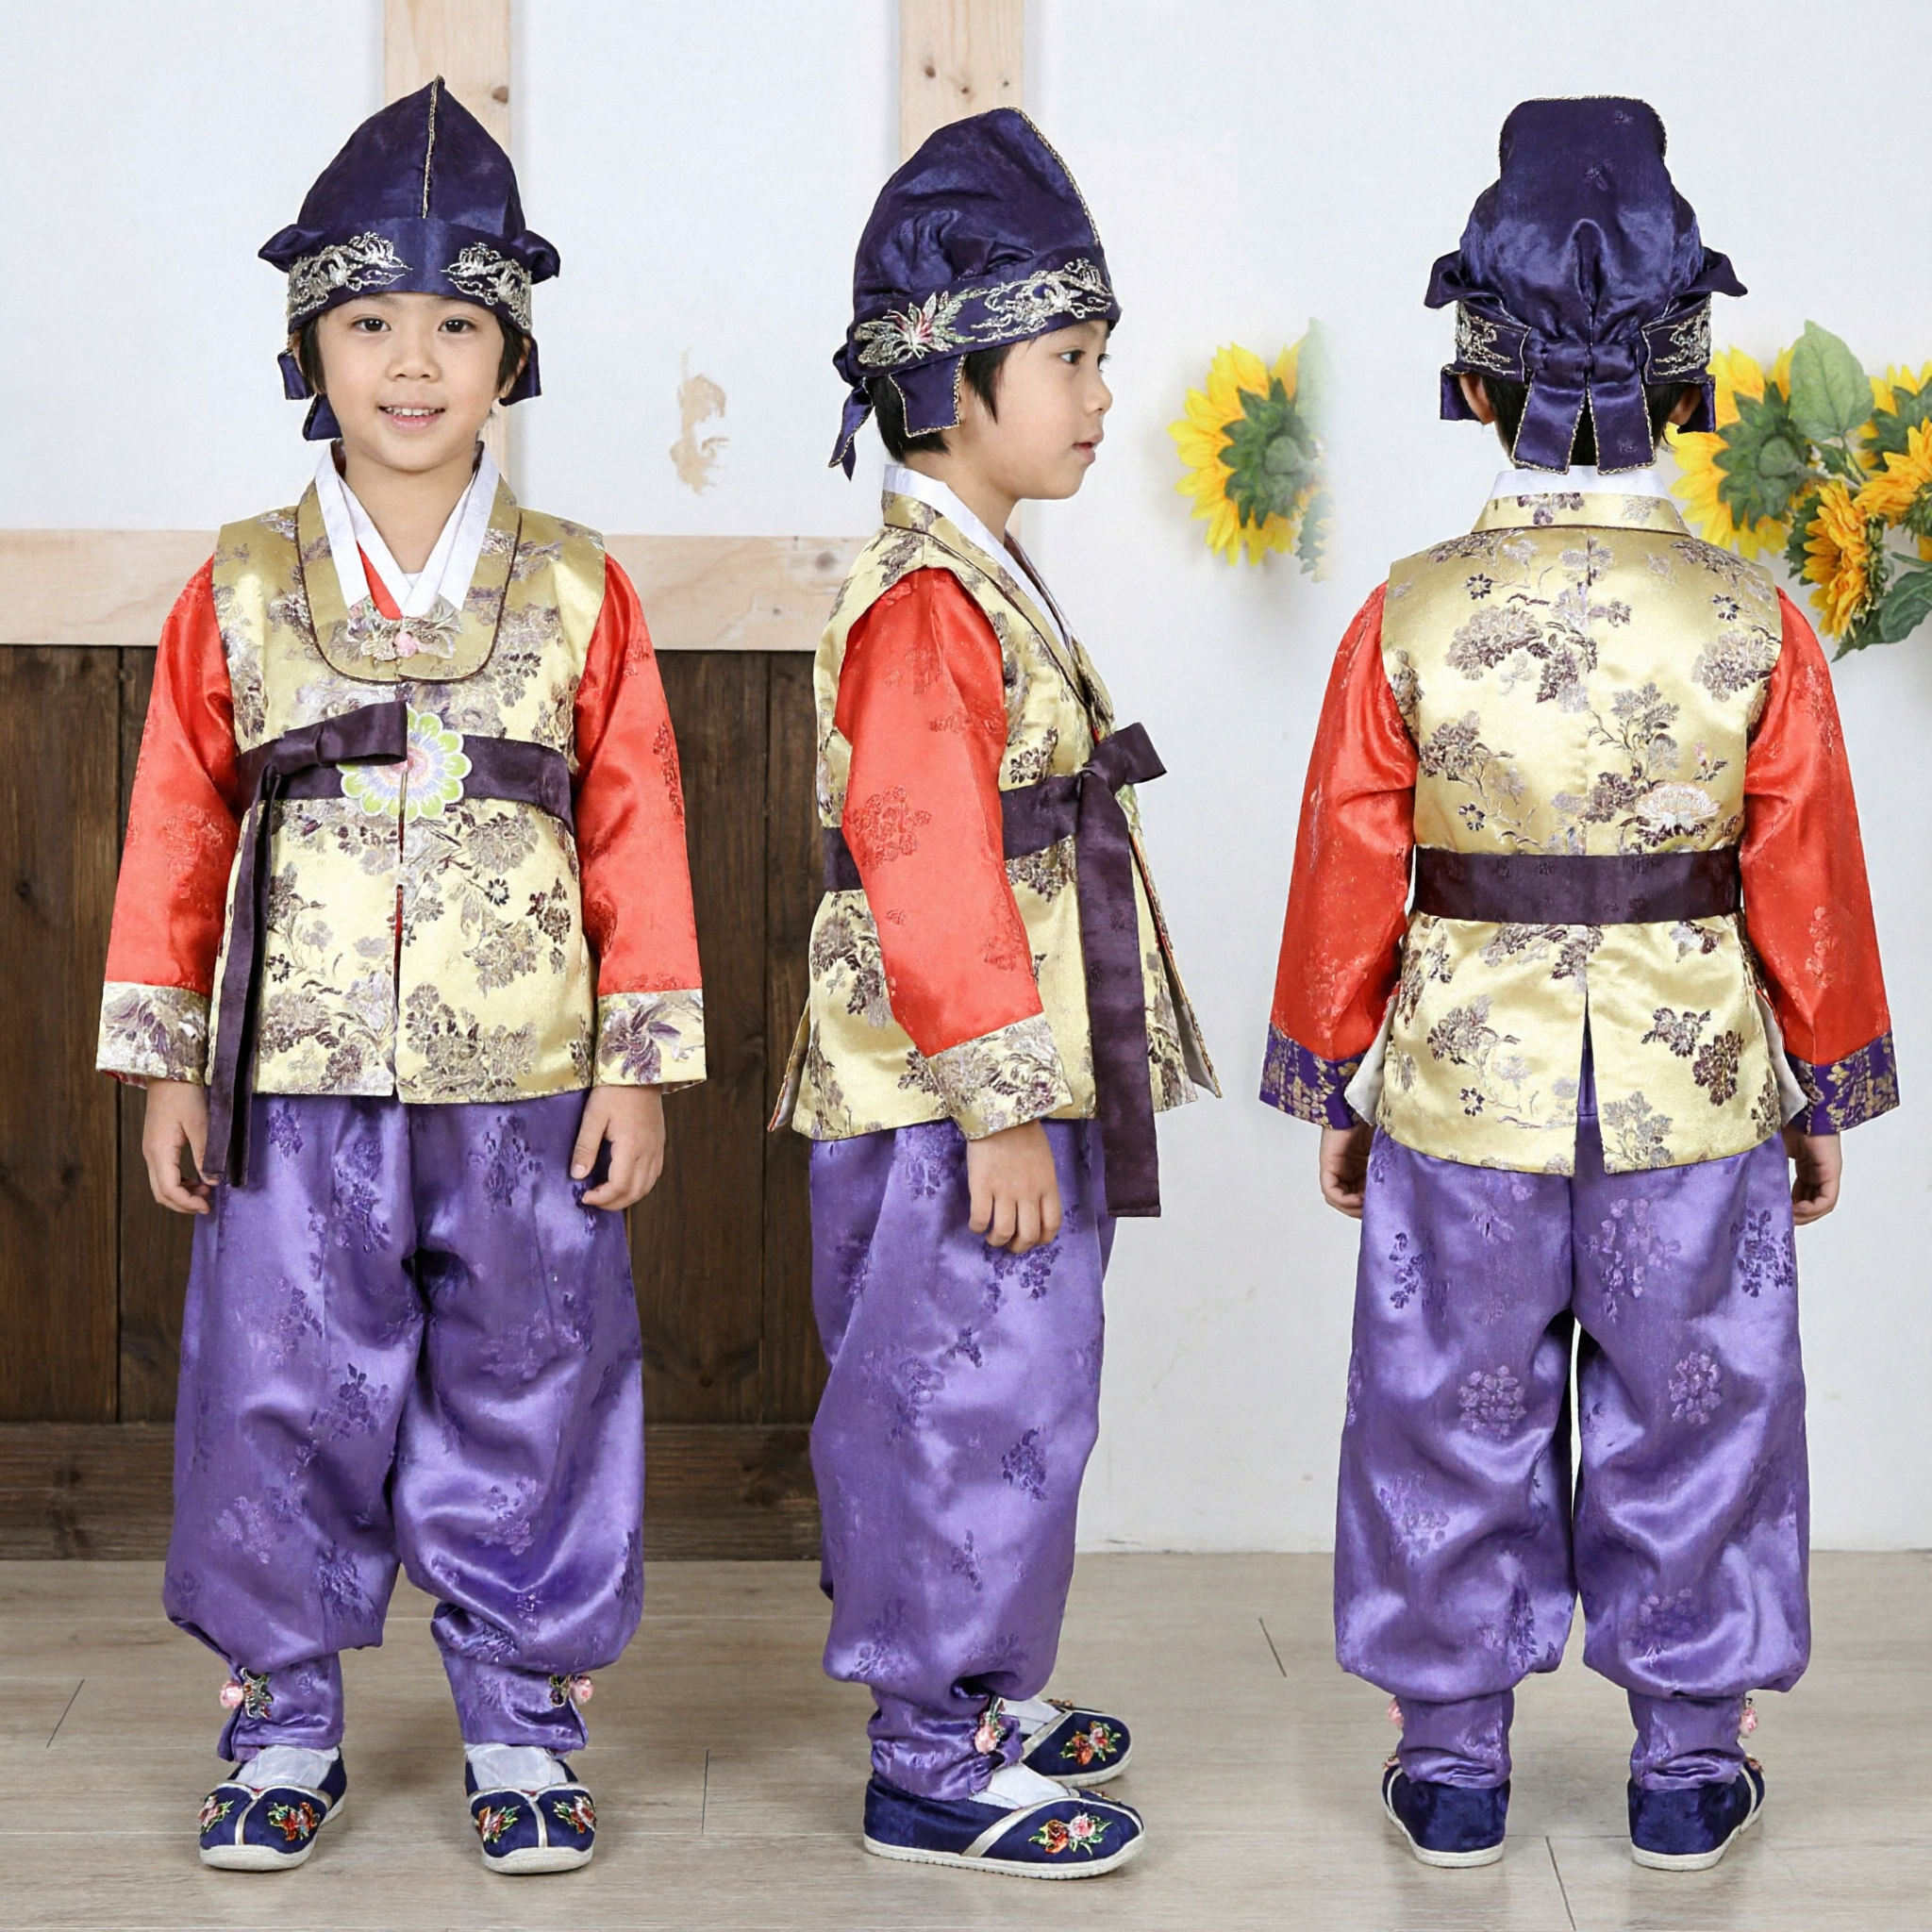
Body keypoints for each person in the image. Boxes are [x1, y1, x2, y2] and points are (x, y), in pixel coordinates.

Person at [1261, 97, 1895, 1874]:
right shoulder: (1755, 617)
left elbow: (1345, 867)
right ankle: (1689, 1754)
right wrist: (1821, 1089)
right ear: (1690, 384)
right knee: (1700, 1403)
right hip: (1698, 1080)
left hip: (1458, 1075)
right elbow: (1809, 880)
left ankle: (1452, 1750)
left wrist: (1334, 1081)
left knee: (1442, 1401)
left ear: (1472, 379)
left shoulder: (1402, 611)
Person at [95, 79, 705, 1875]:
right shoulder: (237, 586)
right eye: (371, 324)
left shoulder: (583, 590)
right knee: (279, 1383)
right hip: (290, 1082)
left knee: (535, 1378)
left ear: (510, 352)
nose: (414, 364)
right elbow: (172, 837)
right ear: (313, 344)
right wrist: (159, 1065)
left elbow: (641, 830)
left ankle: (522, 1716)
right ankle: (282, 1713)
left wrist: (637, 1061)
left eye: (455, 323)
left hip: (528, 1081)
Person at [772, 107, 1216, 1877]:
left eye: (1103, 356)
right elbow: (926, 851)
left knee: (1022, 1386)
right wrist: (1008, 1103)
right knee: (950, 1395)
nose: (1102, 394)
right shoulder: (919, 602)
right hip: (954, 1101)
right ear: (954, 378)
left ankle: (980, 1683)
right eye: (1071, 358)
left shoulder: (976, 572)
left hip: (1004, 1086)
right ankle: (928, 1753)